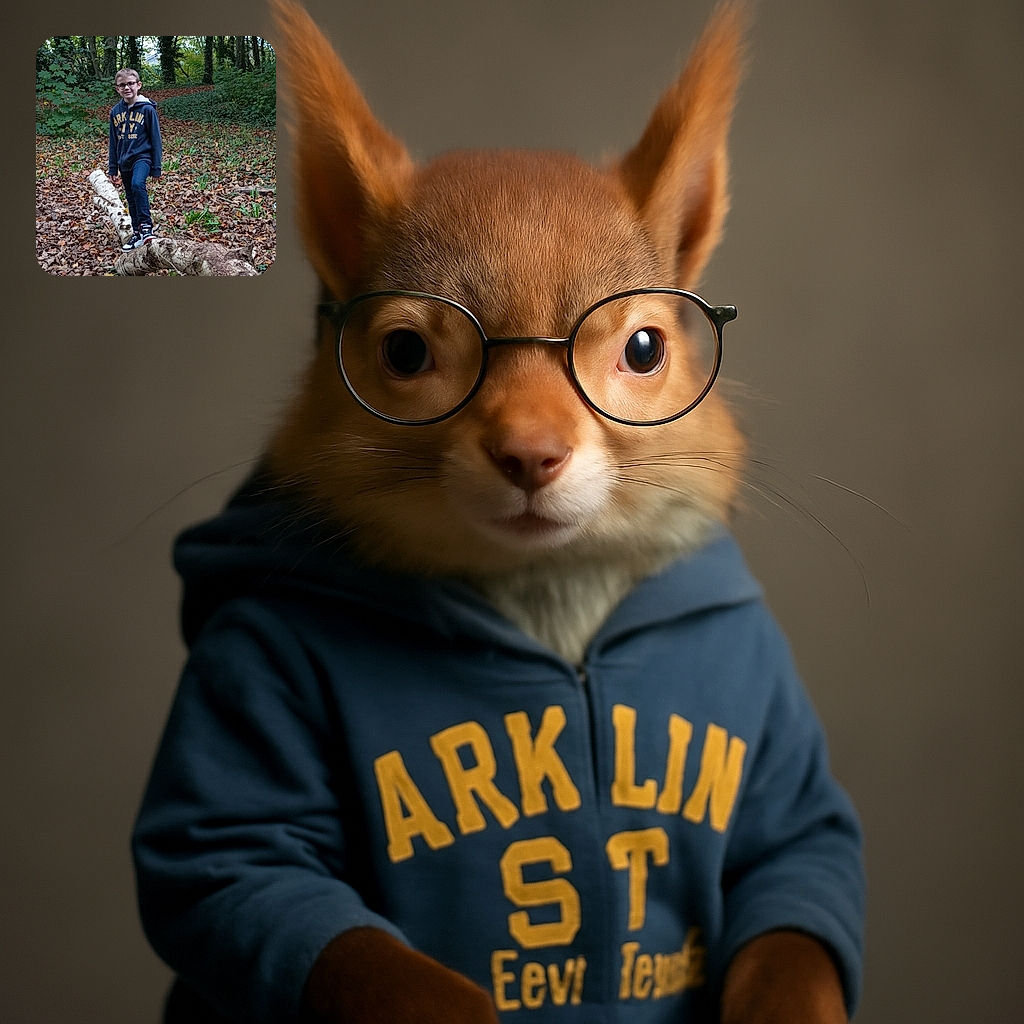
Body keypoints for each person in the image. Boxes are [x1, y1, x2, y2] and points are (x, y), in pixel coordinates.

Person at [108, 68, 162, 252]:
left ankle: (147, 227)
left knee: (138, 185)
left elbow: (156, 139)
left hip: (143, 157)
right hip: (124, 161)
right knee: (130, 197)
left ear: (138, 85)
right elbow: (113, 142)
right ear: (117, 89)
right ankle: (137, 232)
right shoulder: (115, 112)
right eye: (122, 85)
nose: (127, 87)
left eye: (131, 83)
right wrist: (112, 169)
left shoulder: (147, 109)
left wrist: (156, 167)